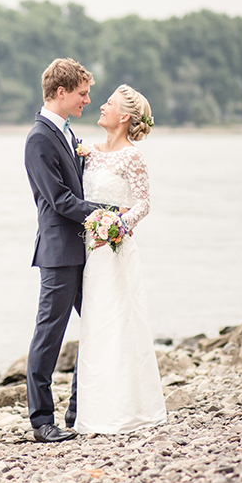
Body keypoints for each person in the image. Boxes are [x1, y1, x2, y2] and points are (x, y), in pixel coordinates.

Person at [23, 58, 112, 443]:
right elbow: (60, 200)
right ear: (61, 92)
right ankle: (42, 420)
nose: (87, 100)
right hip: (59, 253)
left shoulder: (64, 134)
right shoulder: (39, 138)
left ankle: (78, 410)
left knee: (96, 325)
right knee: (50, 334)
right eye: (82, 93)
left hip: (81, 249)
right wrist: (107, 212)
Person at [73, 84, 167, 434]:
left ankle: (129, 409)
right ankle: (95, 410)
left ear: (124, 117)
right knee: (96, 325)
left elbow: (143, 203)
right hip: (89, 253)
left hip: (115, 249)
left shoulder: (133, 157)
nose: (101, 106)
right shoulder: (89, 152)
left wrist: (116, 225)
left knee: (121, 324)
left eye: (108, 103)